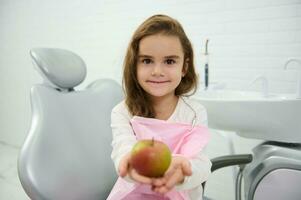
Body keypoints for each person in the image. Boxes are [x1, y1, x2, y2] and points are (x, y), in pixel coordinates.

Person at [107, 14, 211, 200]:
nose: (157, 71)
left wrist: (185, 169)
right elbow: (123, 150)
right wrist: (130, 165)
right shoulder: (122, 112)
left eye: (169, 61)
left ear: (184, 67)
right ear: (134, 65)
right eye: (147, 61)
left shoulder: (195, 113)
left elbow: (202, 164)